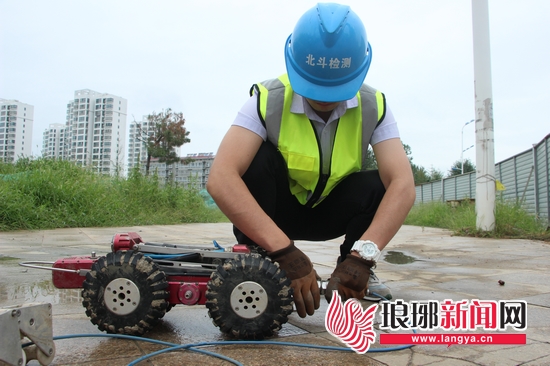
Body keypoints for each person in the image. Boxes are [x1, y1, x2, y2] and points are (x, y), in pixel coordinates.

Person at [206, 2, 416, 318]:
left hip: (330, 213)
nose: (324, 97)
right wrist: (285, 252)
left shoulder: (374, 106)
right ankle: (262, 261)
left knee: (383, 184)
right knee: (254, 159)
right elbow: (220, 178)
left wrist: (363, 256)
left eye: (335, 88)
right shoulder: (268, 99)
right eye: (314, 85)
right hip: (274, 214)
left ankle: (353, 271)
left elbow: (403, 185)